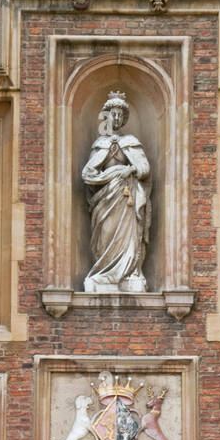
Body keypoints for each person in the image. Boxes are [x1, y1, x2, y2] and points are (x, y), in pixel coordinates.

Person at [82, 90, 151, 293]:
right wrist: (111, 174)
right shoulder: (100, 144)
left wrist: (129, 169)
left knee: (128, 236)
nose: (118, 118)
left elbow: (144, 168)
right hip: (106, 198)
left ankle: (128, 273)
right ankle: (103, 272)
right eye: (114, 114)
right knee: (105, 234)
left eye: (121, 115)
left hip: (126, 197)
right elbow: (88, 173)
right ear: (107, 116)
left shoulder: (131, 142)